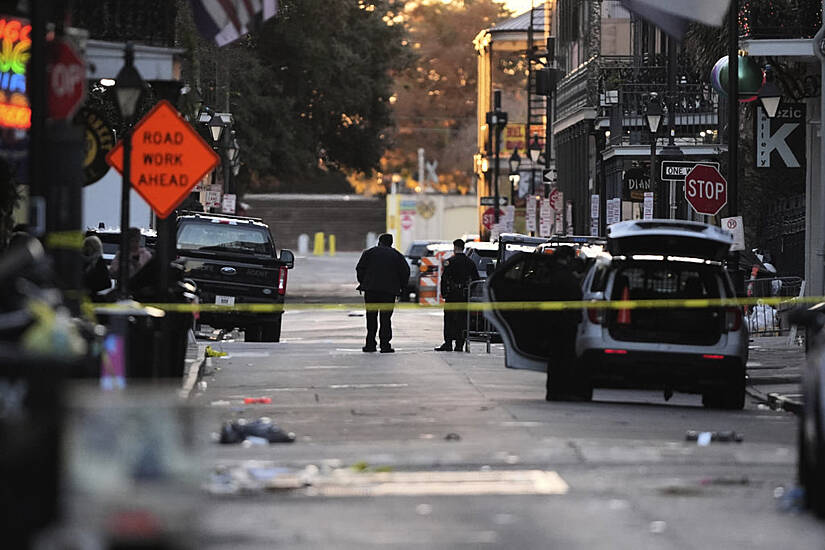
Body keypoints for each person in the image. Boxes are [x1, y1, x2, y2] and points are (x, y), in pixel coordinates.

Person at [542, 246, 586, 401]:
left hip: (553, 322)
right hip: (565, 322)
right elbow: (575, 297)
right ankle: (561, 390)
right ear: (567, 258)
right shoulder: (566, 277)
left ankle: (553, 390)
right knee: (564, 357)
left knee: (555, 358)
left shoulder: (550, 273)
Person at [355, 233, 410, 353]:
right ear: (391, 243)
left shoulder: (369, 253)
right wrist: (401, 287)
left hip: (371, 291)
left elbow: (360, 269)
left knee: (371, 317)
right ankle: (385, 345)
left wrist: (364, 282)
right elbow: (405, 272)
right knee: (385, 319)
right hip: (389, 292)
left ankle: (370, 344)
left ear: (379, 242)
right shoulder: (397, 256)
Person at [435, 239, 479, 352]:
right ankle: (459, 344)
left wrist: (444, 293)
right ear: (463, 248)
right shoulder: (470, 262)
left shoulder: (450, 262)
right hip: (464, 295)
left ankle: (448, 343)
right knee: (462, 319)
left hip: (452, 294)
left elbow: (444, 279)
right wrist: (469, 290)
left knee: (449, 318)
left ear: (455, 248)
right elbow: (476, 280)